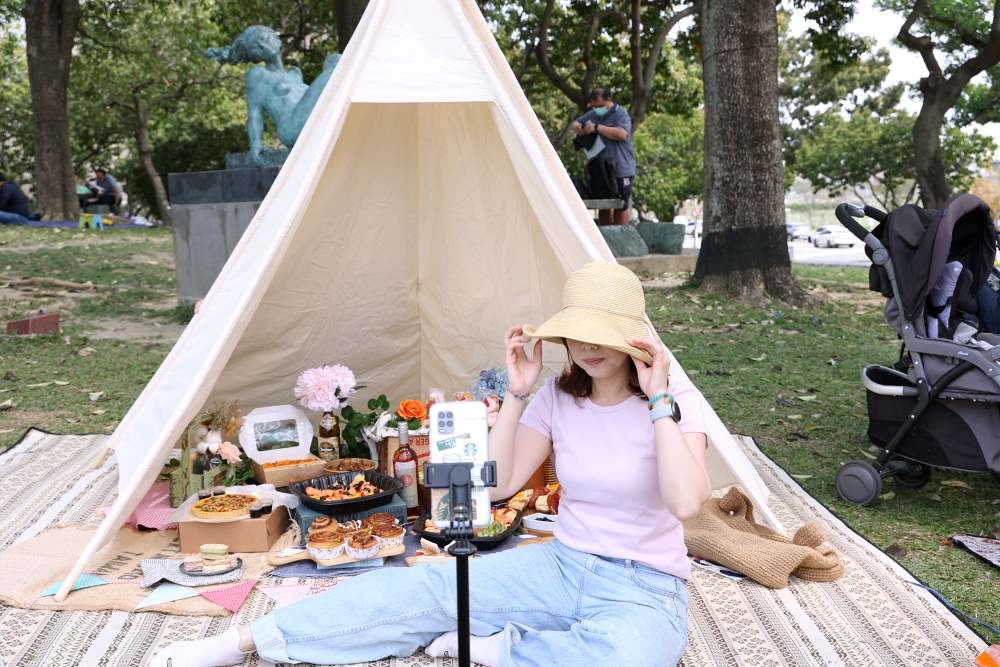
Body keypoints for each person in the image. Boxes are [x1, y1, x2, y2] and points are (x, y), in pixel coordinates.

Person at [151, 261, 712, 667]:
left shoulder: (672, 399)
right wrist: (517, 395)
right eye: (579, 334)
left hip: (645, 586)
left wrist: (660, 402)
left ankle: (499, 648)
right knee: (423, 587)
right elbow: (497, 487)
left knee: (633, 656)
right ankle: (242, 643)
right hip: (561, 567)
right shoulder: (558, 397)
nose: (589, 349)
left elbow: (688, 503)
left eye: (604, 337)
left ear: (635, 339)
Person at [206, 26, 340, 167]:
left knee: (333, 60)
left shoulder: (295, 73)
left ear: (276, 39)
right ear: (254, 56)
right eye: (255, 47)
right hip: (290, 128)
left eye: (263, 39)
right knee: (337, 67)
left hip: (312, 122)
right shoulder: (258, 74)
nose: (262, 46)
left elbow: (307, 104)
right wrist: (256, 144)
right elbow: (255, 113)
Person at [571, 88, 636, 226]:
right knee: (604, 204)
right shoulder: (592, 115)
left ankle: (621, 236)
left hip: (621, 168)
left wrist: (597, 127)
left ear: (609, 101)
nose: (598, 109)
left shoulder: (621, 114)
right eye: (595, 107)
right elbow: (575, 123)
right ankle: (605, 240)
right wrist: (577, 127)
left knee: (621, 204)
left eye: (600, 106)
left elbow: (621, 134)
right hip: (601, 170)